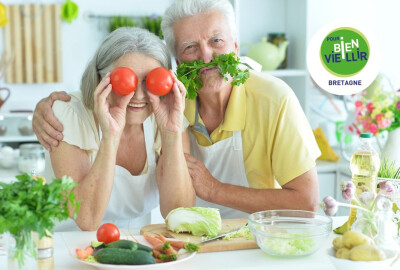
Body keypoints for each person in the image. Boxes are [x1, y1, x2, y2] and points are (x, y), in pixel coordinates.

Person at [33, 0, 321, 219]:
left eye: (216, 41)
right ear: (178, 63)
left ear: (235, 46)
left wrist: (213, 188)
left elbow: (307, 202)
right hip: (180, 239)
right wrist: (45, 108)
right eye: (190, 47)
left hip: (256, 234)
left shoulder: (273, 99)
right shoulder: (168, 99)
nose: (206, 56)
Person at [38, 27, 195, 231]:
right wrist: (111, 137)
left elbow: (180, 214)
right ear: (99, 79)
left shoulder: (167, 116)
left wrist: (171, 135)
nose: (139, 95)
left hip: (136, 248)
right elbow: (87, 218)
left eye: (151, 81)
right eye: (125, 82)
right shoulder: (70, 115)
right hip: (65, 246)